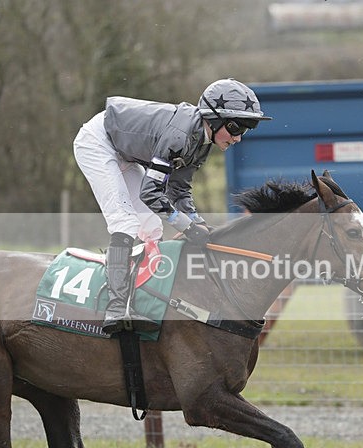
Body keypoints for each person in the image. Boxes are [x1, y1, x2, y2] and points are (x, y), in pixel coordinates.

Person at [73, 78, 272, 334]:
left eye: (246, 129)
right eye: (235, 128)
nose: (238, 138)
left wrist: (197, 223)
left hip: (124, 152)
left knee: (152, 227)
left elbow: (178, 189)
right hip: (98, 142)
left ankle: (141, 299)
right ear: (213, 119)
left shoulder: (201, 142)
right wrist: (186, 226)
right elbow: (151, 192)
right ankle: (116, 307)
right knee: (125, 222)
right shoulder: (180, 137)